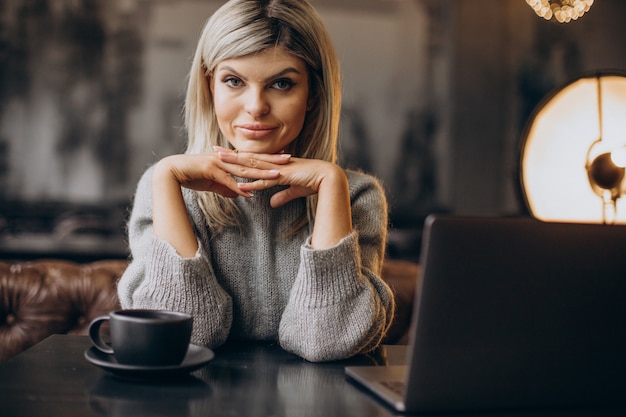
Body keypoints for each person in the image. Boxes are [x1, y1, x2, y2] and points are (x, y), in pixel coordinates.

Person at [117, 0, 394, 362]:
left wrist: (330, 183)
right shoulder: (167, 186)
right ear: (210, 85)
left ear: (313, 94)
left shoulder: (356, 195)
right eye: (233, 81)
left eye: (281, 83)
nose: (256, 106)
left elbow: (327, 339)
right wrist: (167, 178)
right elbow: (185, 337)